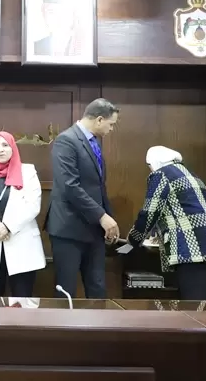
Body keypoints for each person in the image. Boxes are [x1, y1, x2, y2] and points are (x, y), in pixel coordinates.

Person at [127, 146, 206, 301]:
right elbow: (182, 209)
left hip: (191, 245)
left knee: (194, 305)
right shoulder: (192, 176)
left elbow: (150, 212)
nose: (150, 170)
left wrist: (133, 240)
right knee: (202, 300)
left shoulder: (161, 174)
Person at [45, 98, 120, 299]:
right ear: (99, 119)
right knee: (66, 290)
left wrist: (107, 219)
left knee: (97, 288)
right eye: (111, 124)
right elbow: (70, 186)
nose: (111, 129)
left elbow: (98, 187)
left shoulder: (94, 142)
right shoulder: (66, 140)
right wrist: (101, 216)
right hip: (68, 229)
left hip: (94, 230)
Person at [0, 131, 45, 297]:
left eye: (5, 145)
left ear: (13, 147)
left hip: (22, 245)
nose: (1, 149)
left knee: (22, 300)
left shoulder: (27, 172)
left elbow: (33, 205)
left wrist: (7, 226)